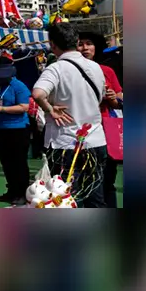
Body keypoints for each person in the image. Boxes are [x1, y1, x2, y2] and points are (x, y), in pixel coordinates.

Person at [31, 23, 108, 207]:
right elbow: (101, 95)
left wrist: (50, 109)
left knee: (66, 197)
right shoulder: (96, 67)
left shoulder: (56, 68)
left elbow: (37, 93)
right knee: (95, 195)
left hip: (65, 143)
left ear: (53, 45)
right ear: (76, 41)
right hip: (95, 139)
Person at [79, 31, 124, 208]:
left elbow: (118, 101)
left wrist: (114, 97)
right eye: (80, 44)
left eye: (88, 43)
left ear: (96, 47)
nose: (84, 48)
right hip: (78, 131)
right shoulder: (69, 69)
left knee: (107, 180)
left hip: (105, 130)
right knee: (83, 181)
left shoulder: (107, 71)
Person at [0, 58, 32, 205]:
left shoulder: (18, 86)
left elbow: (24, 107)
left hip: (18, 129)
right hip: (0, 128)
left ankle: (22, 192)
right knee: (6, 162)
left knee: (19, 163)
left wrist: (1, 109)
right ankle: (11, 191)